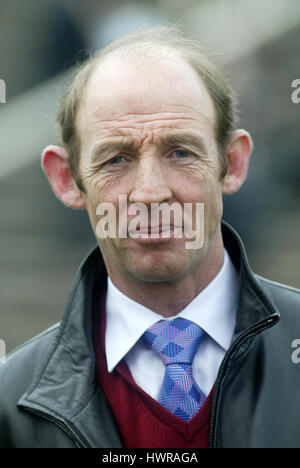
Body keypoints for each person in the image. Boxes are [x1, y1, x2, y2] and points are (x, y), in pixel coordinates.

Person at [1, 26, 300, 449]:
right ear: (67, 179)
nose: (150, 193)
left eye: (180, 152)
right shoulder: (12, 402)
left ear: (232, 164)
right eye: (117, 158)